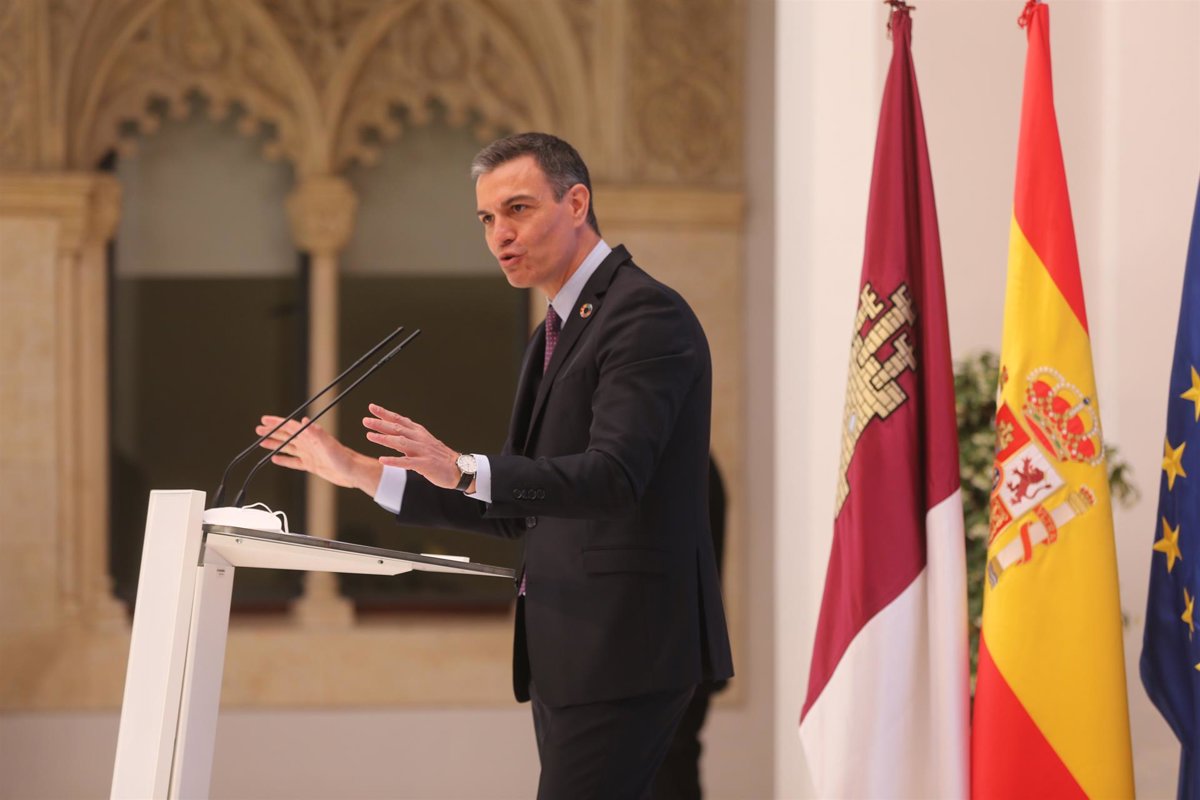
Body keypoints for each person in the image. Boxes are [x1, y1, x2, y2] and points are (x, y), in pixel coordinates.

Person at [255, 132, 733, 799]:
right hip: (572, 653)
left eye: (517, 209)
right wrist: (358, 469)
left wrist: (464, 468)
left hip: (625, 647)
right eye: (486, 218)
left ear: (576, 203)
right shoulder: (553, 333)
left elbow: (613, 478)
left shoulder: (643, 315)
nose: (499, 234)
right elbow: (514, 508)